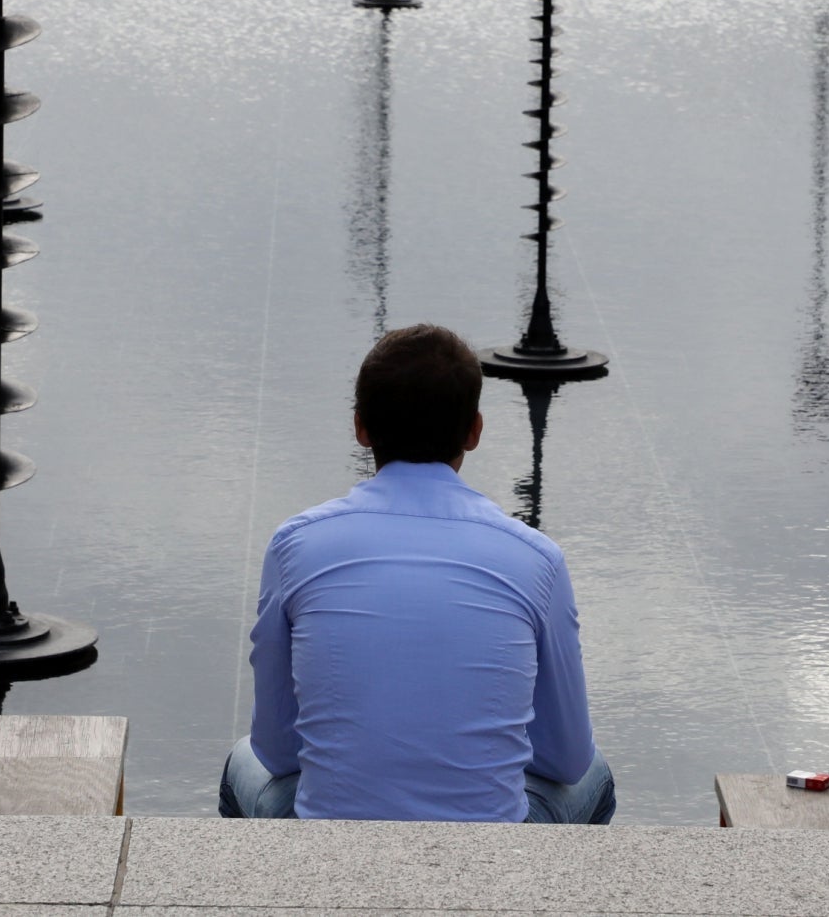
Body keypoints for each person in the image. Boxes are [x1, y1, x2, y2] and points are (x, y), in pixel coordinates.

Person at [220, 324, 614, 823]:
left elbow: (276, 752)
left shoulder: (296, 545)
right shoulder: (536, 559)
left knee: (243, 760)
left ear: (361, 428)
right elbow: (569, 758)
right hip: (492, 855)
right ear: (474, 430)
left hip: (329, 847)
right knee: (595, 771)